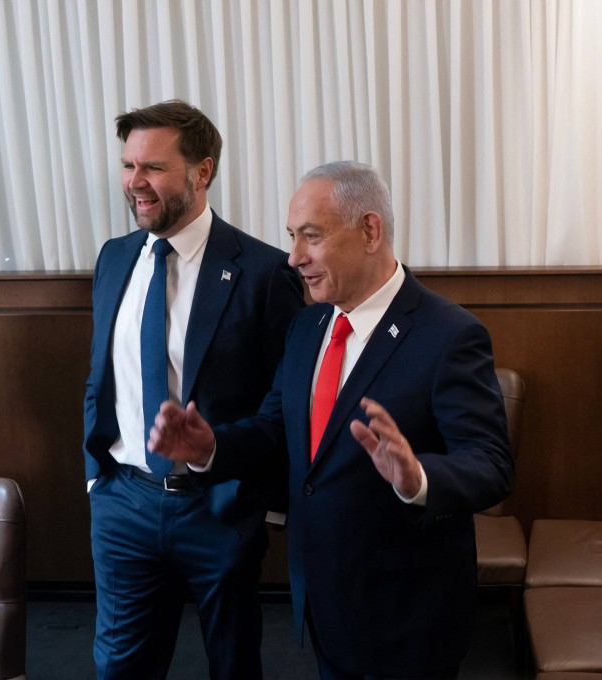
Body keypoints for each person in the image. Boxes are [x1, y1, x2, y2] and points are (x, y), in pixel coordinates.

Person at [149, 160, 515, 679]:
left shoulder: (450, 335)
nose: (295, 257)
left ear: (370, 230)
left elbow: (492, 464)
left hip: (406, 615)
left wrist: (420, 478)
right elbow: (276, 430)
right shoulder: (307, 326)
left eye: (311, 237)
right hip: (322, 600)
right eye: (292, 237)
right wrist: (212, 448)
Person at [82, 99, 305, 679]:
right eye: (129, 165)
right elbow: (102, 376)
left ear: (202, 172)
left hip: (220, 509)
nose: (135, 183)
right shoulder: (114, 259)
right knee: (120, 668)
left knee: (232, 665)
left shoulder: (263, 272)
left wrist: (267, 508)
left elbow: (282, 407)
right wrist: (96, 476)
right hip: (123, 502)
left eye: (152, 167)